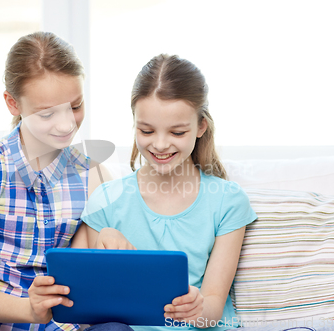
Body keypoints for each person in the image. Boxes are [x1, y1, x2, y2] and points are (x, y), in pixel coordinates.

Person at [0, 31, 129, 331]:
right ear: (13, 104)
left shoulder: (92, 174)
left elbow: (91, 279)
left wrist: (110, 241)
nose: (67, 124)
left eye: (76, 106)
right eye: (47, 113)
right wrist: (31, 309)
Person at [78, 53, 257, 331]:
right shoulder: (106, 200)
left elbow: (212, 307)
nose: (160, 145)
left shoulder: (226, 201)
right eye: (147, 131)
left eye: (177, 132)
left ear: (200, 127)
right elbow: (86, 303)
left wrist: (197, 306)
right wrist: (104, 237)